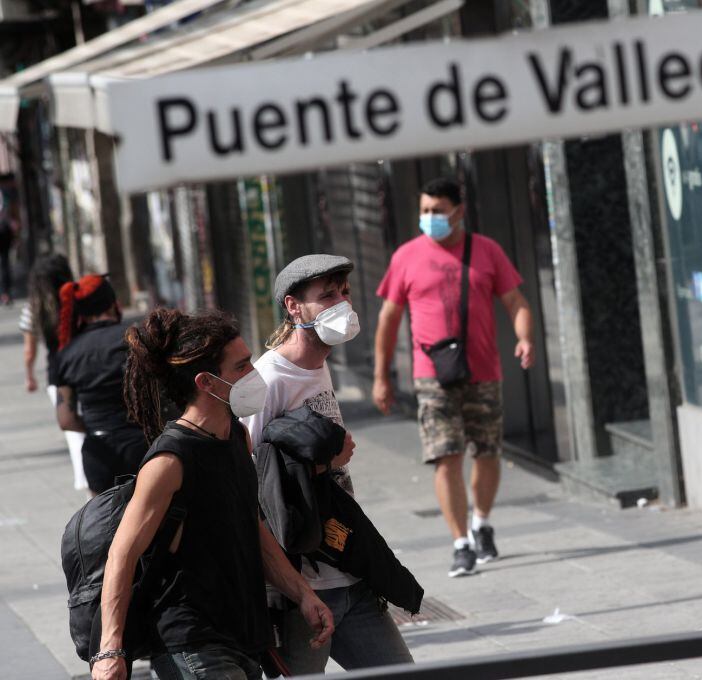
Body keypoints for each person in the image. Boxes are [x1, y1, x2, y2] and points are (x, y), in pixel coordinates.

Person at [91, 308, 334, 680]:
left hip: (243, 635)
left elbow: (251, 529)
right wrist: (110, 651)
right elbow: (122, 554)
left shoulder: (238, 437)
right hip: (193, 644)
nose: (254, 373)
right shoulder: (170, 460)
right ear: (206, 382)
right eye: (241, 366)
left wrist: (303, 594)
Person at [242, 254, 413, 674]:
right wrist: (324, 463)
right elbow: (251, 480)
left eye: (345, 293)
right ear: (293, 307)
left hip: (347, 569)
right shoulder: (268, 379)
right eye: (327, 296)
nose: (341, 304)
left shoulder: (318, 366)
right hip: (304, 586)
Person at [373, 177, 534, 577]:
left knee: (488, 453)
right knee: (446, 456)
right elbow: (388, 319)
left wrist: (525, 338)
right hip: (432, 376)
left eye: (437, 211)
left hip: (484, 371)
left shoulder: (487, 251)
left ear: (459, 212)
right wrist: (382, 376)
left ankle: (481, 521)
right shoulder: (406, 257)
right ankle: (461, 542)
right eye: (424, 211)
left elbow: (517, 302)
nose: (429, 218)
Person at [52, 274, 144, 495]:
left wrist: (97, 428)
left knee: (106, 526)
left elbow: (66, 420)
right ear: (114, 303)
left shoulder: (67, 353)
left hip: (98, 453)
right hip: (142, 446)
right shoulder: (134, 339)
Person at [19, 254, 87, 490]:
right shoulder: (80, 299)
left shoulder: (34, 307)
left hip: (58, 376)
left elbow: (29, 350)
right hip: (86, 366)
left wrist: (29, 375)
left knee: (74, 433)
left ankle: (88, 484)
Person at [0, 211, 15, 306]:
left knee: (4, 273)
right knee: (5, 272)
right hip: (5, 253)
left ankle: (5, 295)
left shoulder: (4, 225)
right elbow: (11, 238)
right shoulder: (5, 224)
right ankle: (6, 294)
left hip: (4, 253)